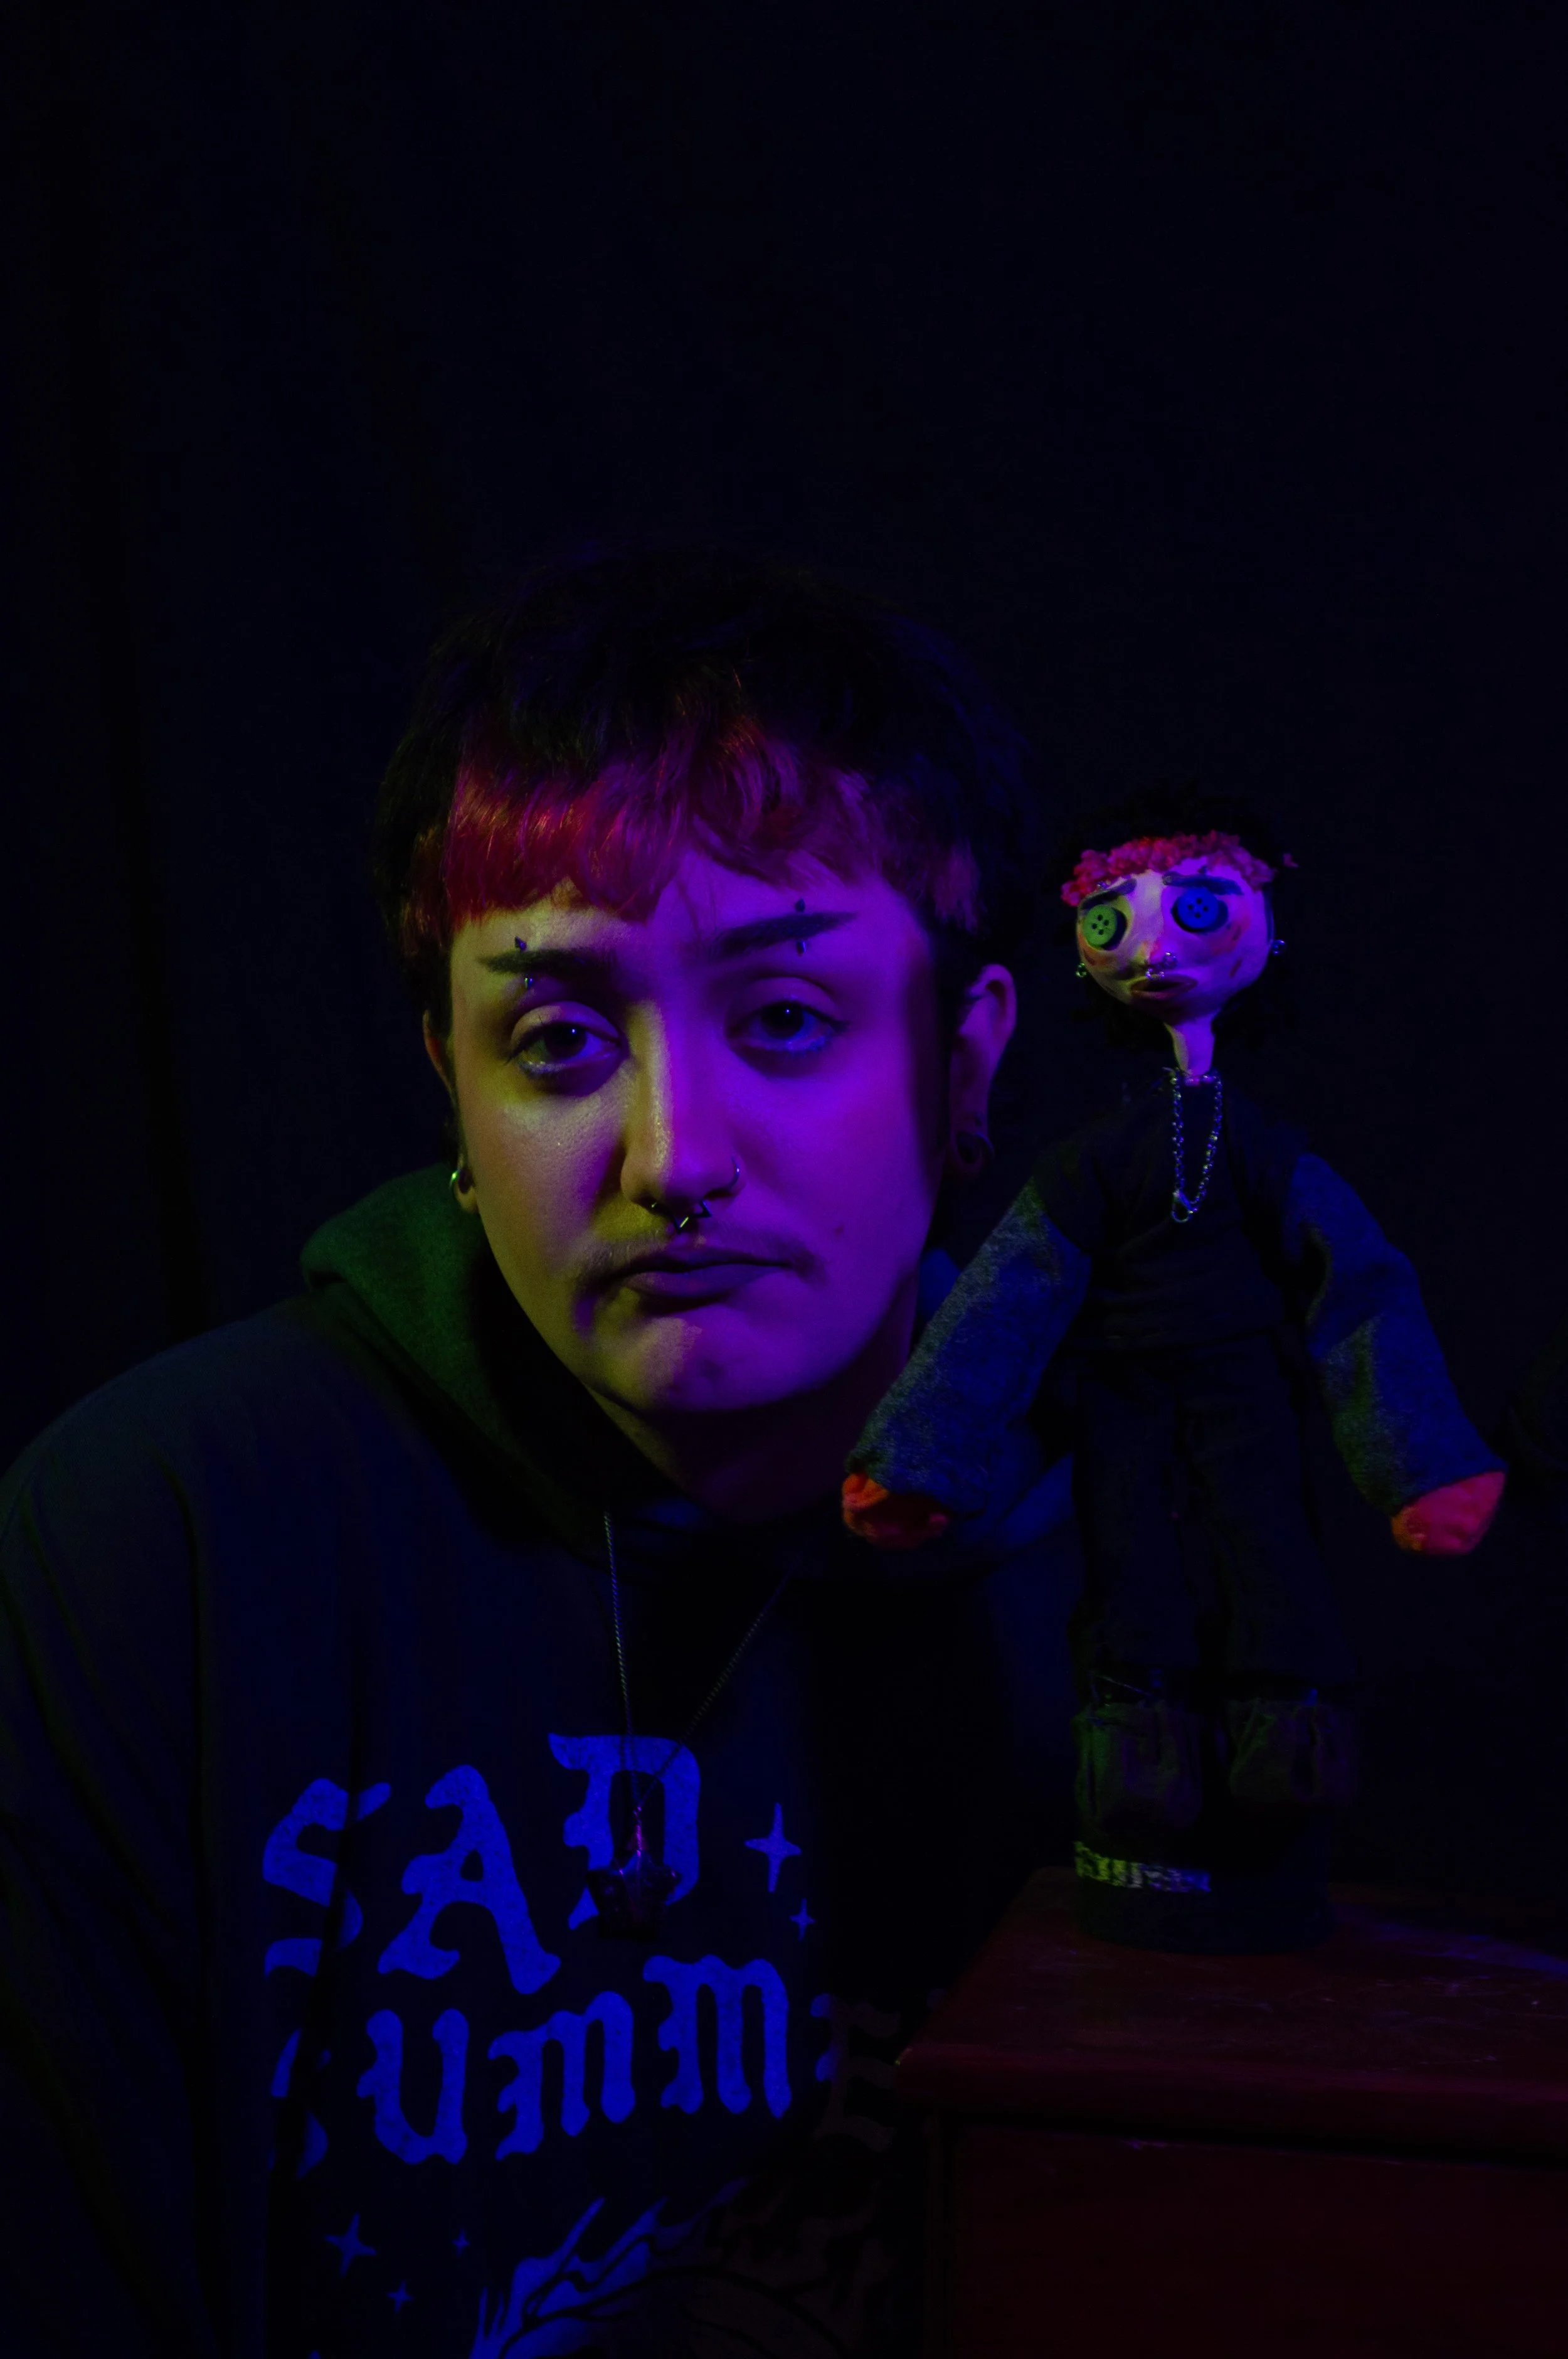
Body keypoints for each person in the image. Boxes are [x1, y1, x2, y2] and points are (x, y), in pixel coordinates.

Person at [0, 546, 1078, 2357]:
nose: (674, 1158)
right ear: (450, 1078)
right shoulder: (156, 1541)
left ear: (963, 1064)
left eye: (785, 1018)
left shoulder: (1147, 1567)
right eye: (561, 1040)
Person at [842, 794, 1503, 1949]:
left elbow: (1360, 1292)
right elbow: (1004, 1304)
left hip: (1250, 1401)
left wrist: (1422, 1463)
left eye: (1197, 910)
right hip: (1124, 1408)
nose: (1151, 945)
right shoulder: (1094, 1162)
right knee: (1134, 1580)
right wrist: (922, 1459)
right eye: (1111, 920)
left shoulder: (1268, 1151)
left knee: (1272, 1566)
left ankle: (1285, 1759)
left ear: (1265, 927)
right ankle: (1141, 1774)